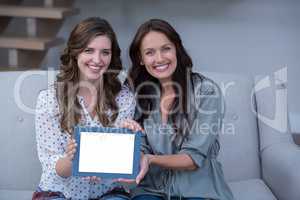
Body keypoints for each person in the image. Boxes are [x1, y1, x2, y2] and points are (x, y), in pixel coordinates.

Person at [123, 19, 234, 200]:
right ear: (141, 60)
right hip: (150, 190)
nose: (159, 59)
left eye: (166, 48)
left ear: (177, 49)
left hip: (199, 191)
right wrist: (139, 155)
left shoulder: (206, 91)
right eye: (150, 53)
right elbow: (139, 144)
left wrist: (150, 159)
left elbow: (193, 159)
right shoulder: (139, 93)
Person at [33, 17, 135, 200]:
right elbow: (52, 167)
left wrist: (123, 155)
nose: (97, 60)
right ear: (75, 53)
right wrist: (71, 159)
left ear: (112, 56)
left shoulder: (124, 98)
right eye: (89, 50)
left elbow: (120, 166)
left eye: (105, 52)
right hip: (59, 192)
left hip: (107, 192)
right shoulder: (49, 99)